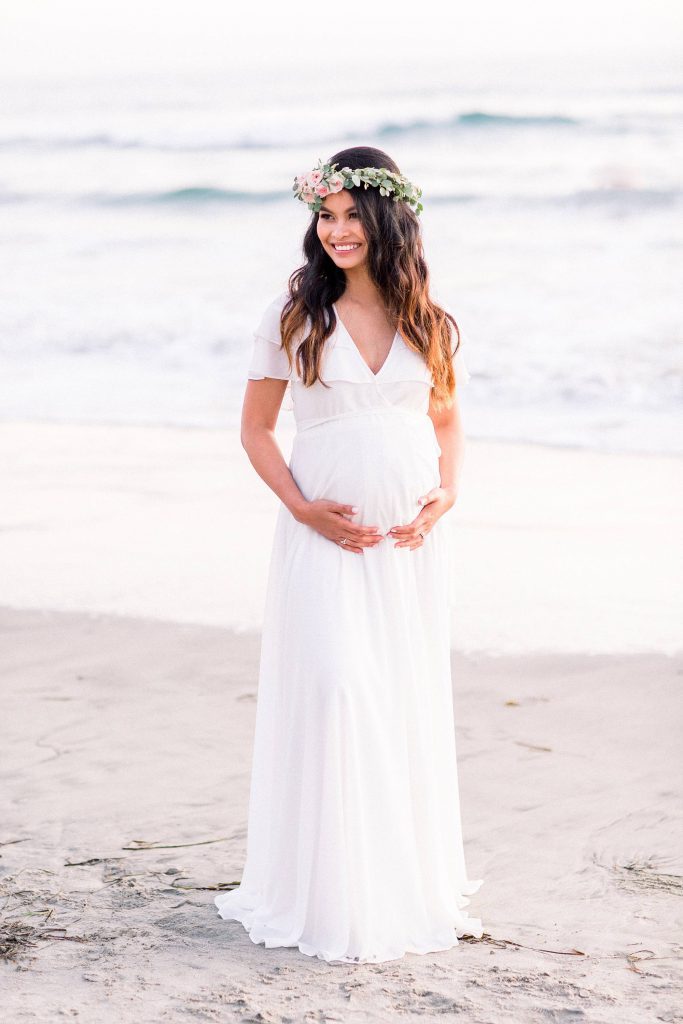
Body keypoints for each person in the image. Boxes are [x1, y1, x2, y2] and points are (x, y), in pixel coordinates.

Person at [214, 145, 484, 964]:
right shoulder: (293, 314)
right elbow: (256, 430)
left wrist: (448, 493)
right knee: (335, 687)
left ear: (387, 217)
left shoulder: (425, 316)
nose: (334, 231)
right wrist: (301, 508)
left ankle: (395, 883)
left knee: (396, 697)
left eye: (349, 215)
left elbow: (444, 419)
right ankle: (329, 893)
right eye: (323, 217)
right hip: (323, 533)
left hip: (406, 542)